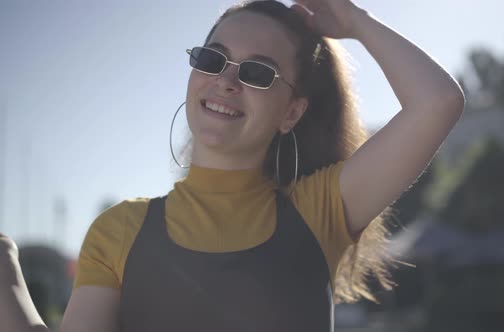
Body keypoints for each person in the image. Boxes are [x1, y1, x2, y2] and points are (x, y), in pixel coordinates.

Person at [0, 0, 465, 331]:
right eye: (213, 58)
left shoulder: (318, 209)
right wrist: (7, 277)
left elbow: (438, 101)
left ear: (292, 112)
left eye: (257, 72)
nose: (225, 81)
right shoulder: (117, 230)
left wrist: (354, 20)